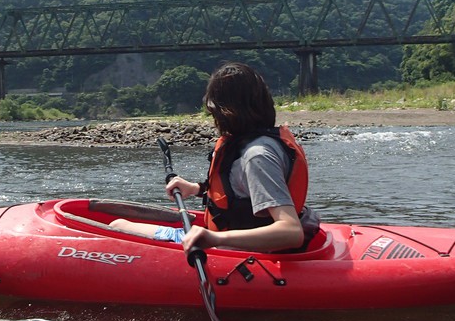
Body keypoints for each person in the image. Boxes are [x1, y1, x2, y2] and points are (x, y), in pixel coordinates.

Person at [110, 62, 319, 255]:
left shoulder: (257, 156)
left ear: (226, 112)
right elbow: (242, 195)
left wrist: (216, 238)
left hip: (237, 253)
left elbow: (291, 232)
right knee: (118, 225)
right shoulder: (254, 145)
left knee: (117, 226)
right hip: (227, 243)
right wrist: (195, 189)